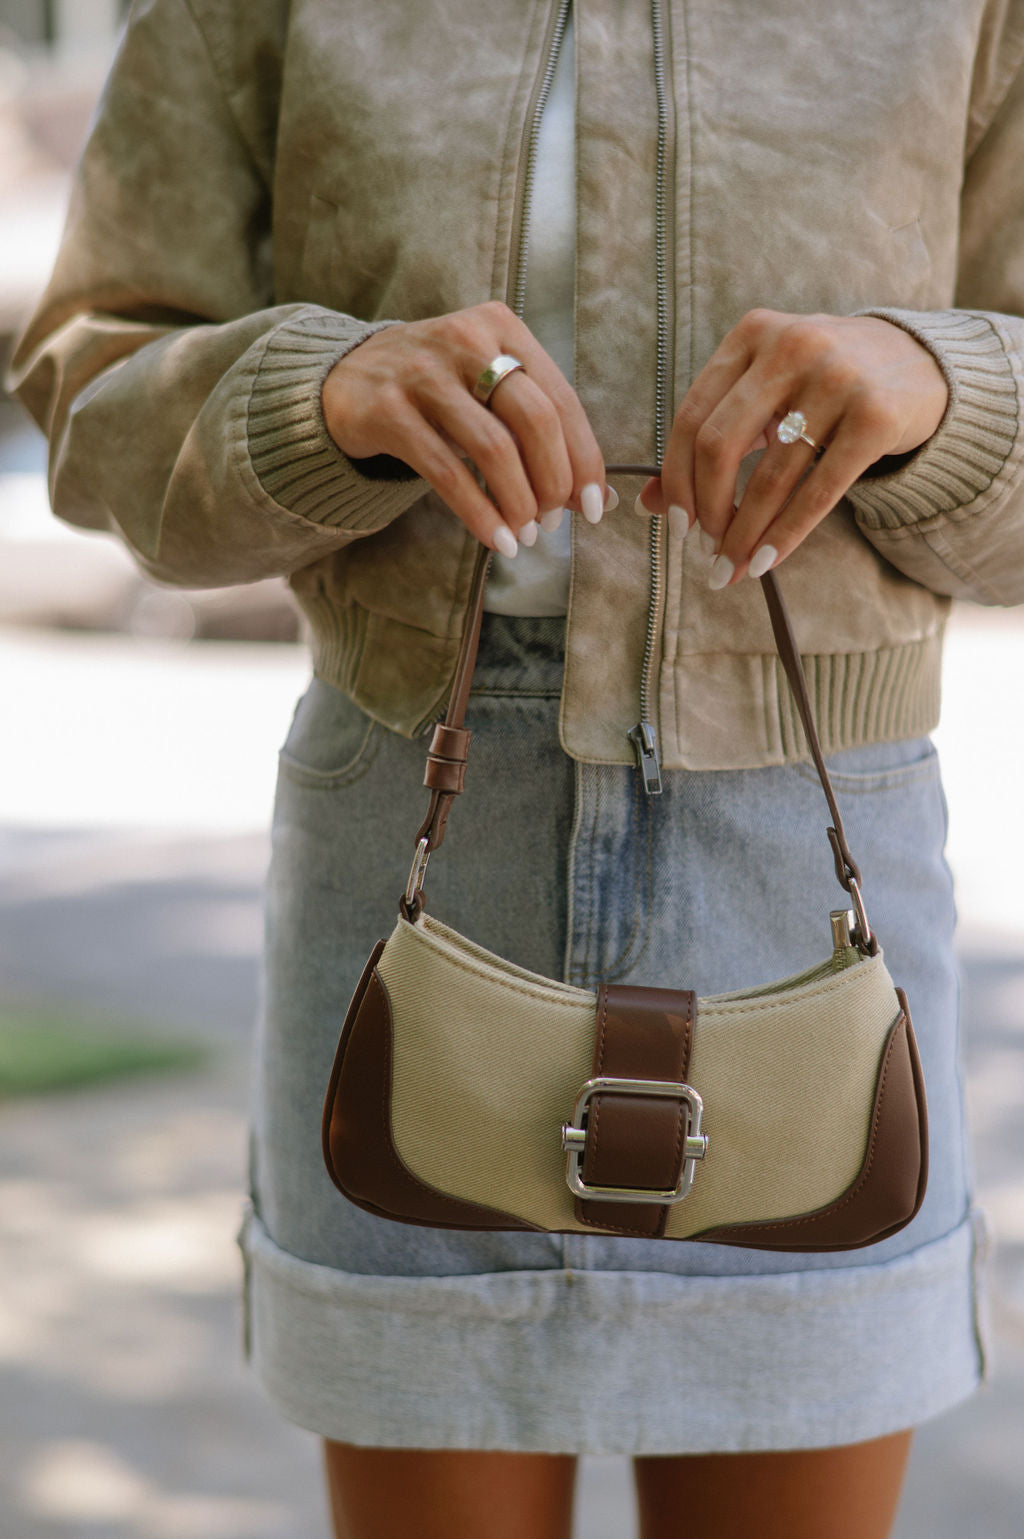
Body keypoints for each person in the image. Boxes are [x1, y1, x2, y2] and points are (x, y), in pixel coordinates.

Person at [10, 2, 1024, 1535]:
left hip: (809, 891)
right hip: (415, 865)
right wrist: (322, 396)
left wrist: (938, 383)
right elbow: (88, 396)